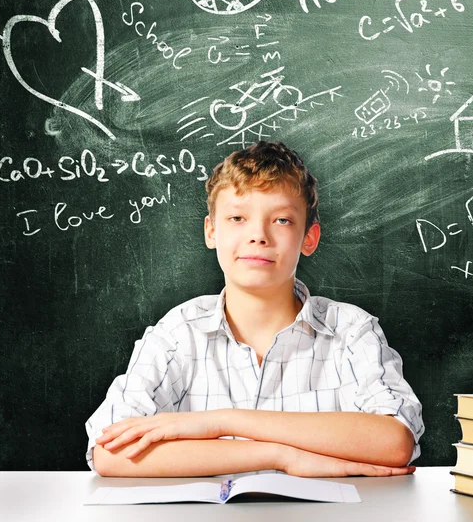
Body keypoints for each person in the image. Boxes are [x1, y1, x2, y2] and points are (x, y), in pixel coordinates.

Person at [86, 140, 424, 477]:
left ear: (309, 238)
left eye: (281, 220)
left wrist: (222, 421)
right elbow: (110, 452)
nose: (258, 235)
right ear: (211, 231)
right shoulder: (179, 332)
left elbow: (394, 442)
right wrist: (280, 457)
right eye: (237, 217)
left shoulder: (350, 330)